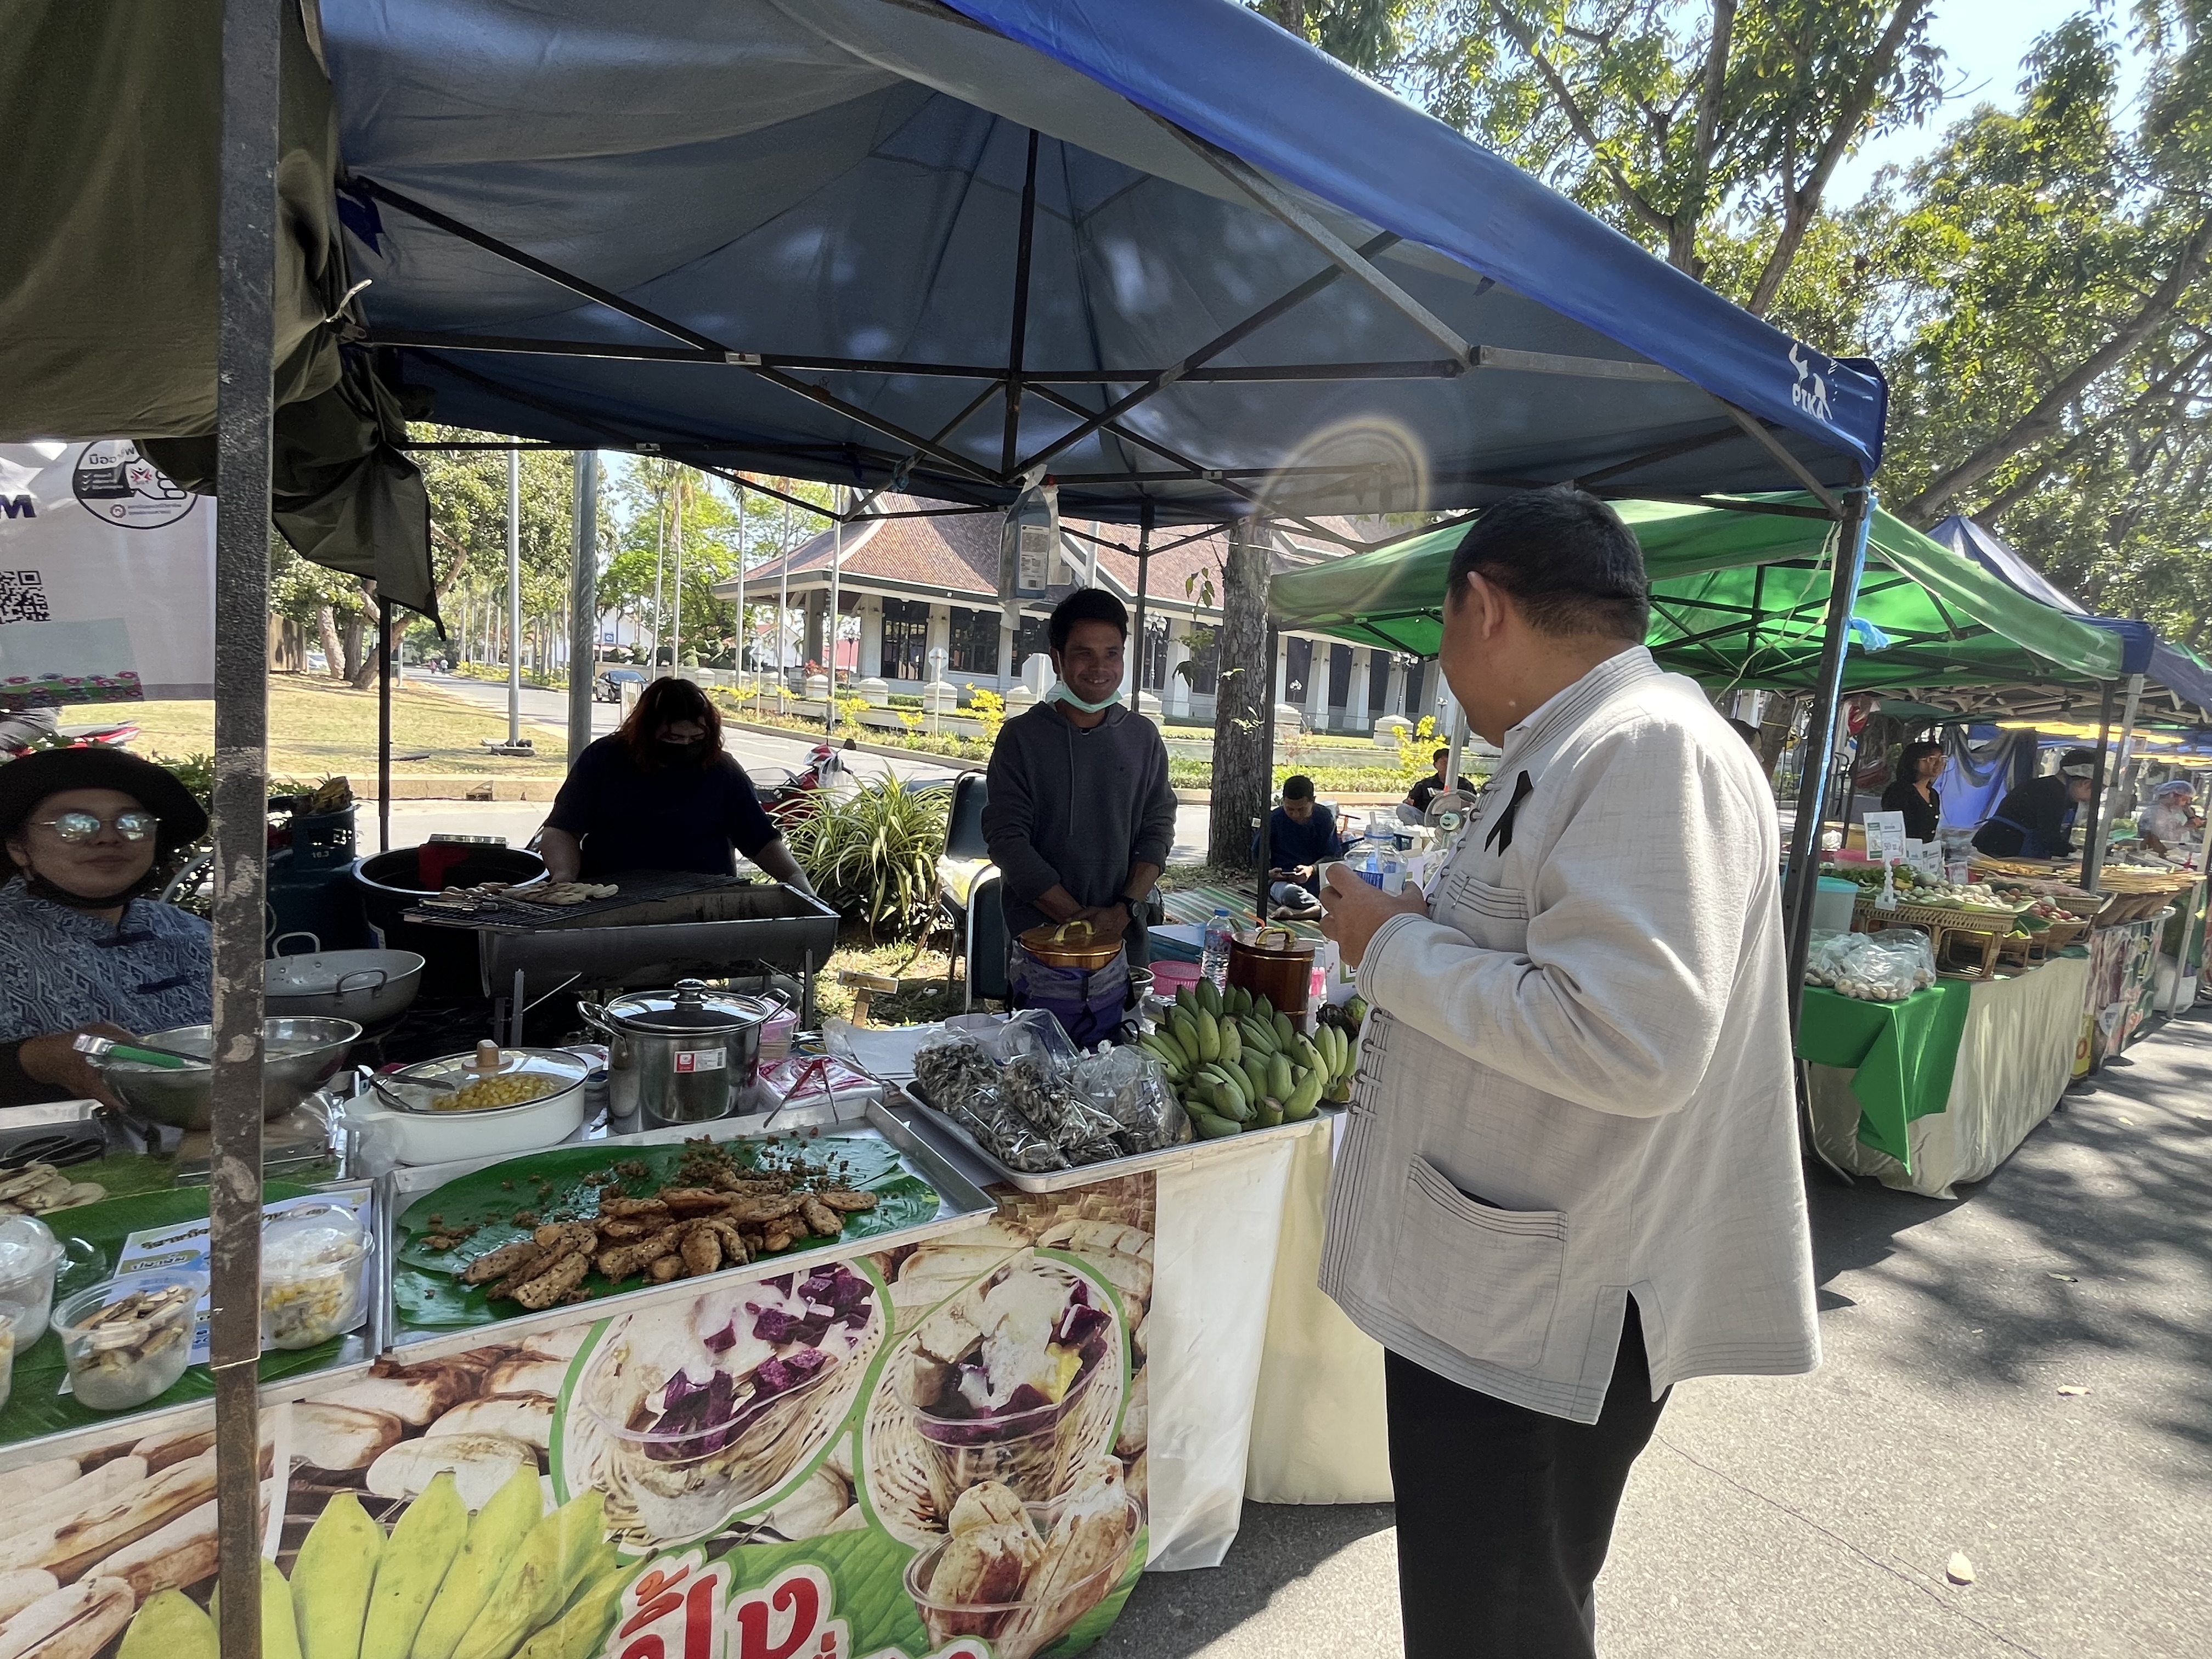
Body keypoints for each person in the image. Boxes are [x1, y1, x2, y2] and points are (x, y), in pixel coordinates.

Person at [1314, 487, 1818, 1659]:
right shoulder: (1588, 743)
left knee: (1498, 1621)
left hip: (1542, 1307)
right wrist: (1432, 929)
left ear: (1484, 606)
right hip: (1511, 1285)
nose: (1445, 671)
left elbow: (1625, 1038)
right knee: (1481, 1605)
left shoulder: (1647, 749)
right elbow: (1564, 963)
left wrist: (1389, 946)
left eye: (1442, 634)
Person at [0, 746, 211, 1108]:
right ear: (20, 848)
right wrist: (39, 1059)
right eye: (75, 825)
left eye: (133, 824)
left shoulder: (196, 934)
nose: (108, 838)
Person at [983, 588, 1175, 963]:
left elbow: (1158, 830)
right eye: (1083, 654)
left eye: (1112, 653)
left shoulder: (1143, 737)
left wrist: (1121, 911)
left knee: (1124, 1023)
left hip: (1124, 940)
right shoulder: (1021, 738)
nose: (1099, 667)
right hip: (1041, 943)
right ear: (1058, 660)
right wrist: (1076, 920)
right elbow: (1007, 840)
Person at [541, 676, 812, 890]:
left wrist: (795, 877)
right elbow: (562, 829)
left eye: (694, 739)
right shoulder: (604, 758)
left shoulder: (723, 771)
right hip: (611, 896)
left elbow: (762, 841)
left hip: (705, 904)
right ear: (646, 732)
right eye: (673, 739)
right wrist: (564, 877)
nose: (684, 746)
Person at [1972, 748, 2100, 860]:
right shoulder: (2051, 793)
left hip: (2011, 846)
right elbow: (2049, 837)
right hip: (2003, 847)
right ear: (2086, 783)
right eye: (2093, 791)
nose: (2089, 800)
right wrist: (2075, 854)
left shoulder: (2056, 790)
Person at [1265, 775, 1344, 919]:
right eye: (1289, 809)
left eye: (1301, 809)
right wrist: (1269, 873)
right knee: (1291, 895)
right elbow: (1258, 856)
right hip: (1283, 882)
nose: (1295, 814)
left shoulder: (1324, 817)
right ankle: (1325, 909)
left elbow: (1334, 856)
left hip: (1317, 880)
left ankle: (1298, 913)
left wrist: (1311, 869)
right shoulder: (1275, 818)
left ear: (1312, 801)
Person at [1880, 739, 1945, 843]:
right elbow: (1891, 828)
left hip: (1923, 853)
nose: (1939, 763)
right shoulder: (1899, 791)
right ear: (1914, 763)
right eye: (1931, 759)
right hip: (1902, 853)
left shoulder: (1933, 794)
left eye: (1942, 759)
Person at [2138, 777, 2199, 859]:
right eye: (2184, 799)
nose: (2186, 803)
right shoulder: (2157, 813)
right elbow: (2165, 840)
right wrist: (2187, 827)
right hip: (2152, 856)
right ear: (2172, 795)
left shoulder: (2168, 812)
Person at [1402, 747, 1452, 823]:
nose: (1447, 766)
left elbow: (1472, 801)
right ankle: (1416, 832)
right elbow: (1411, 800)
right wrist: (1408, 802)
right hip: (1428, 819)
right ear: (1435, 765)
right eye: (1444, 762)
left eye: (1450, 763)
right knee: (1403, 808)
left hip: (1456, 820)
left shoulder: (1464, 784)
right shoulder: (1424, 784)